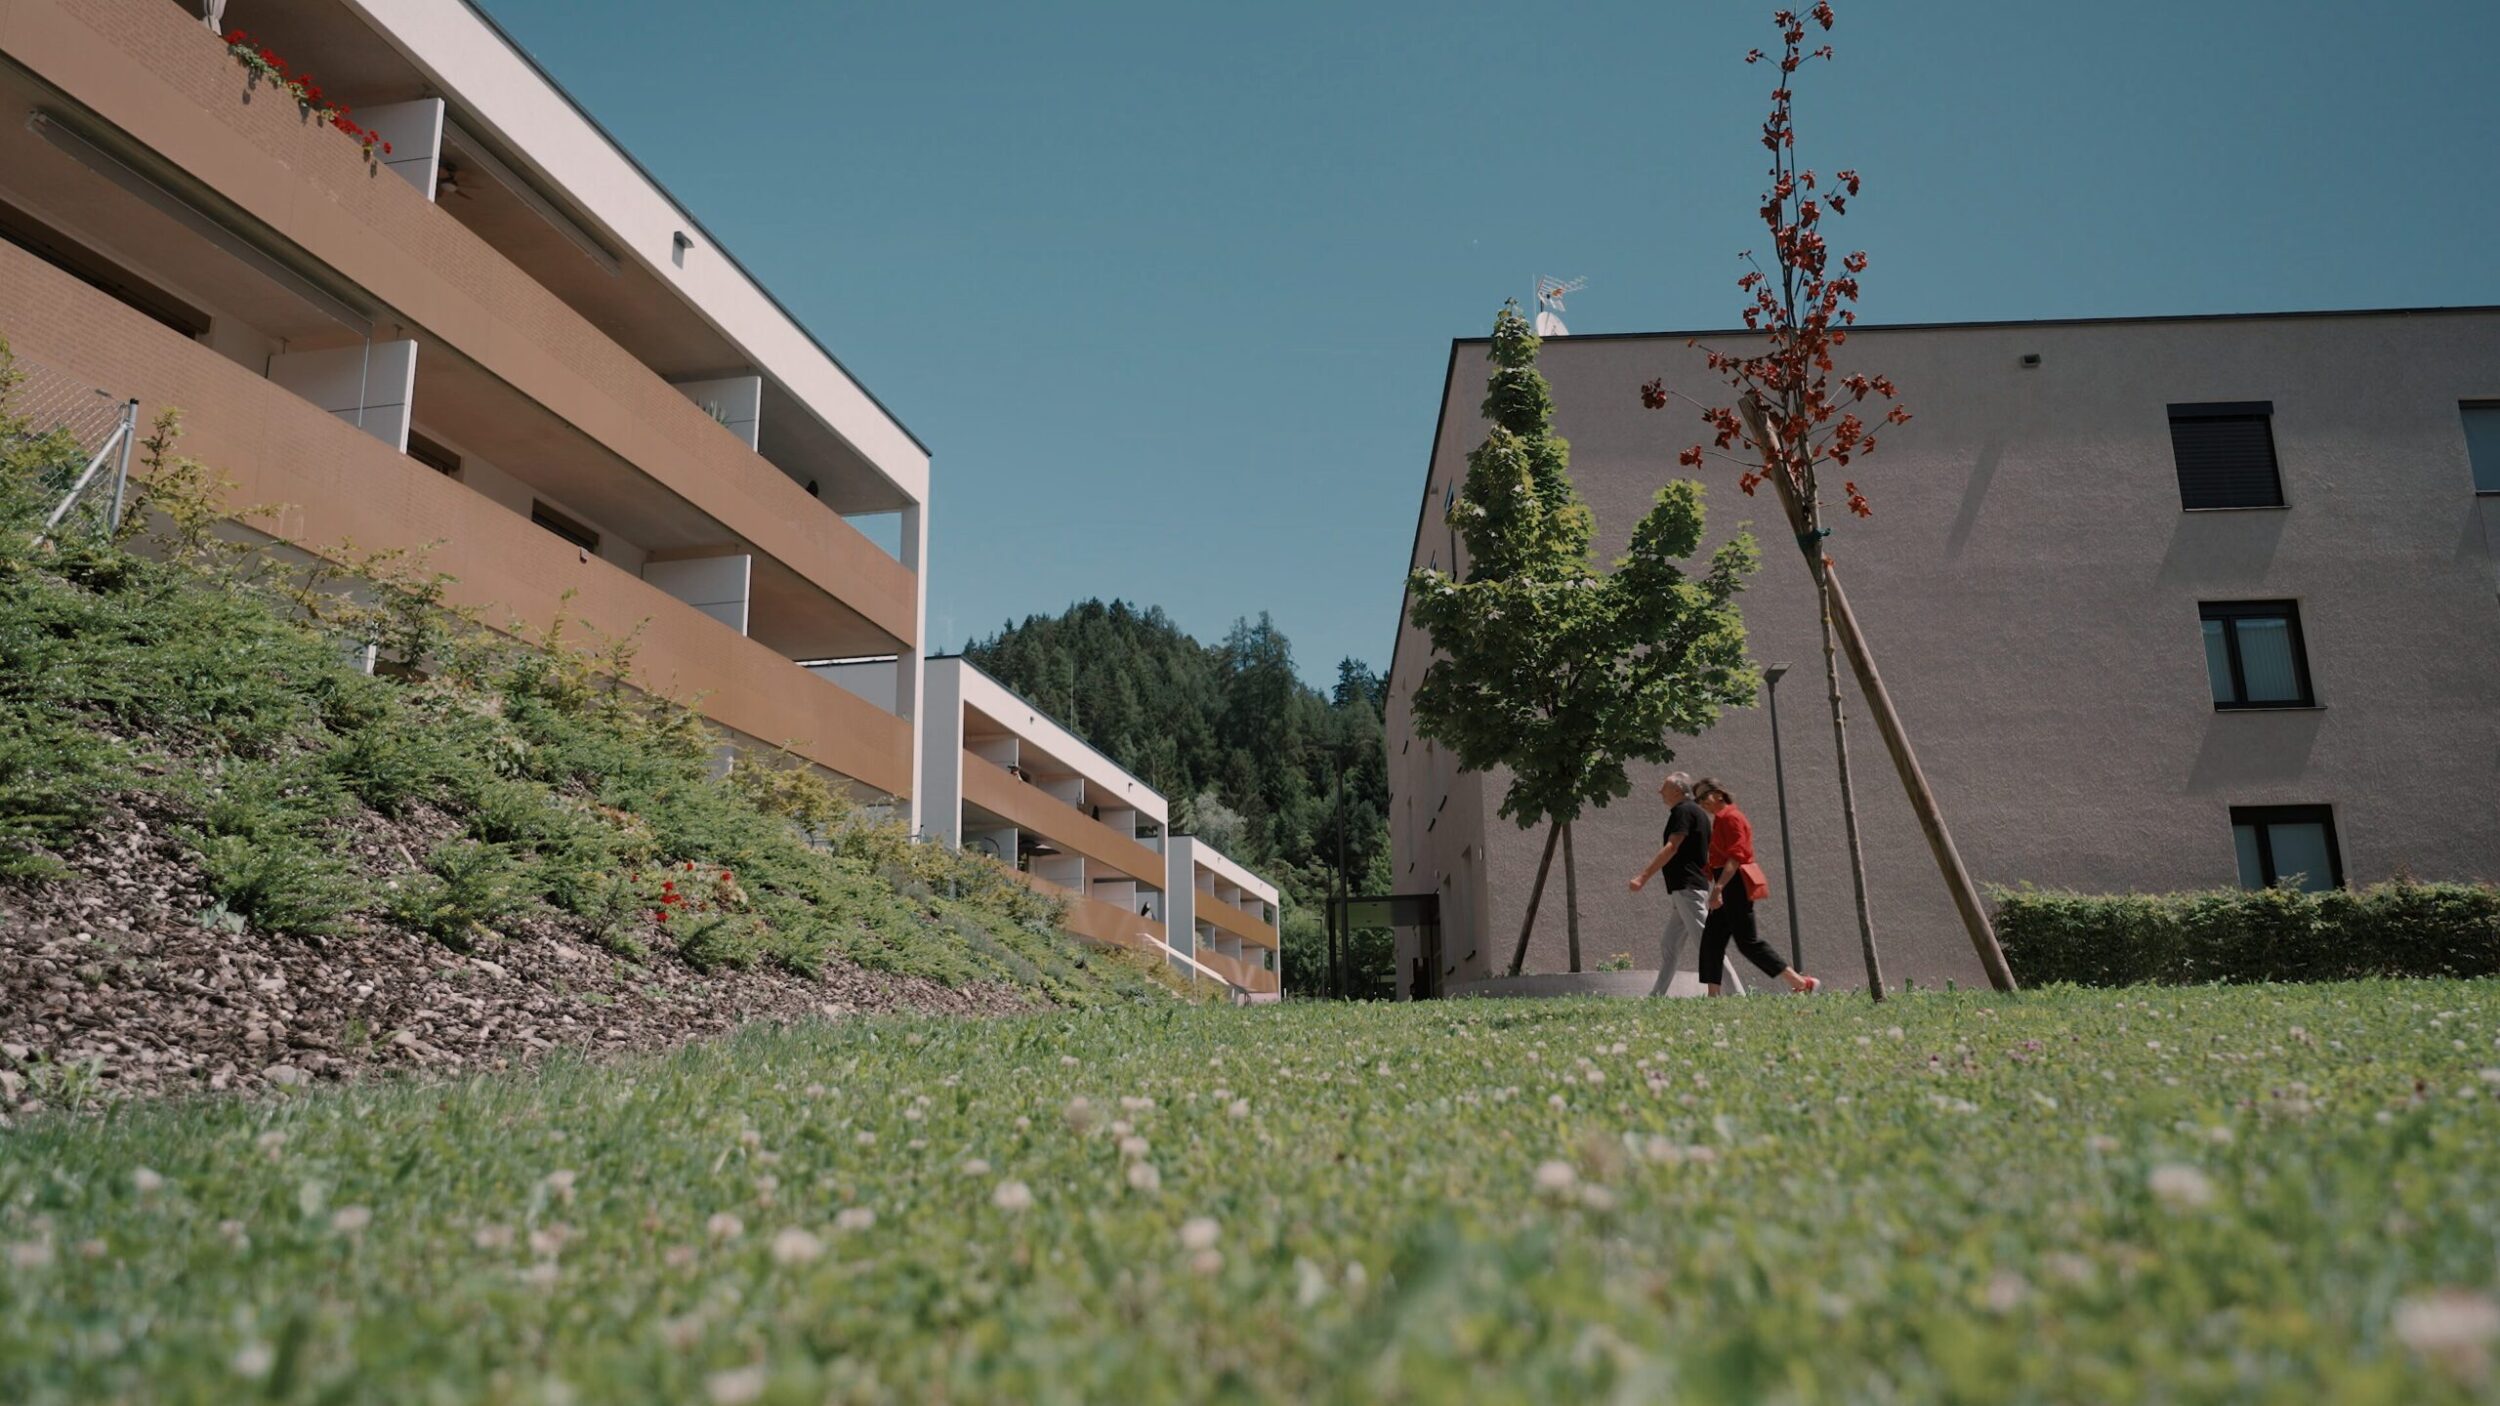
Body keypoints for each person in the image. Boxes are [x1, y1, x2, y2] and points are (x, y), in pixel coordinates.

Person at [1692, 779, 1819, 996]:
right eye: (1697, 799)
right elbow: (1720, 858)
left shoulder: (1731, 818)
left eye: (1704, 796)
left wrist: (1718, 889)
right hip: (1727, 883)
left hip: (1736, 885)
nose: (1701, 802)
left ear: (1719, 794)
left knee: (1748, 942)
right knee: (1712, 941)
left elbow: (1735, 858)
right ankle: (1713, 996)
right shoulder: (1721, 820)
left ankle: (1802, 983)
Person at [1627, 771, 1712, 997]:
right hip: (1687, 889)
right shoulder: (1697, 812)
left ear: (1676, 790)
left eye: (1663, 787)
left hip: (1687, 887)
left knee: (1708, 944)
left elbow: (1671, 847)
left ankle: (1737, 995)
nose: (1659, 791)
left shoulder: (1683, 811)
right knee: (1670, 944)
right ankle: (1656, 996)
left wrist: (1642, 877)